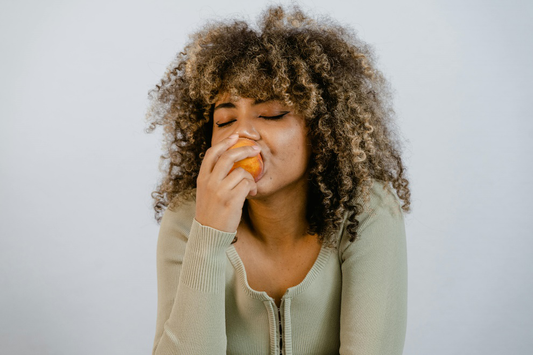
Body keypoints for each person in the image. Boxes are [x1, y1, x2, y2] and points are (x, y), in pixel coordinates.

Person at [145, 4, 412, 355]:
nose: (241, 135)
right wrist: (208, 235)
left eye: (271, 114)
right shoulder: (187, 219)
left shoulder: (366, 211)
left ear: (321, 128)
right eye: (224, 121)